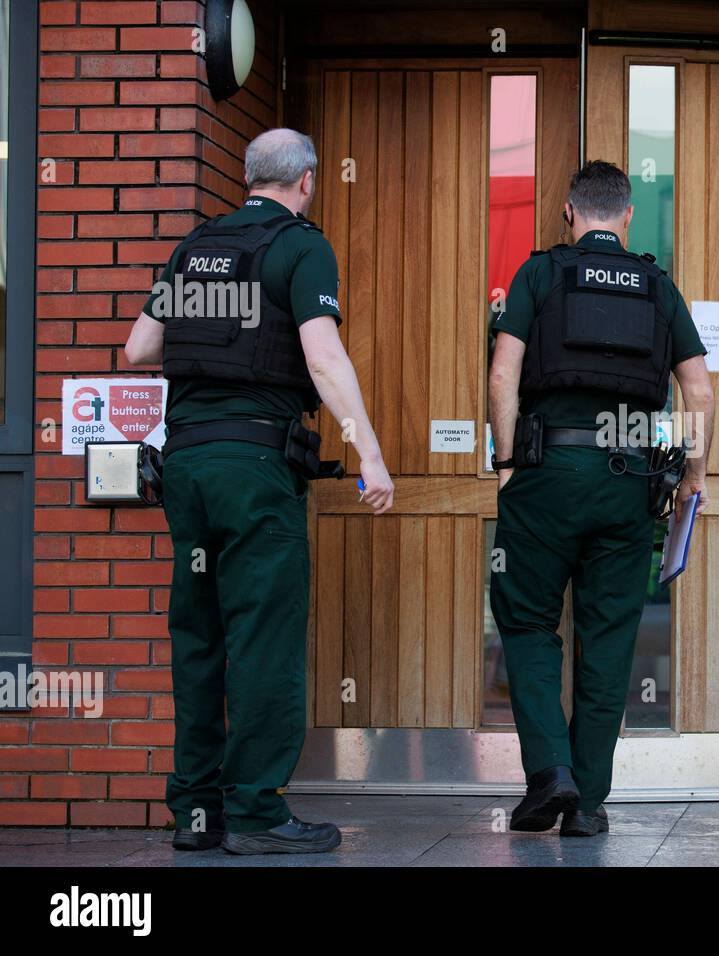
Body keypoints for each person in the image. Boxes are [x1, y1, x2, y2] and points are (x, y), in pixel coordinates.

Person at [124, 127, 394, 854]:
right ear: (305, 180)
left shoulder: (195, 248)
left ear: (247, 178)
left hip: (185, 465)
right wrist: (367, 449)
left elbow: (139, 348)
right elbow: (323, 353)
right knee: (264, 634)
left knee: (199, 635)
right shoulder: (301, 245)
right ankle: (254, 811)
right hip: (255, 466)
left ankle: (197, 813)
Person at [488, 160, 715, 836]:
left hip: (546, 471)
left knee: (528, 624)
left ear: (568, 211)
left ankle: (550, 770)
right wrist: (693, 479)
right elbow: (698, 392)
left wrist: (507, 464)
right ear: (628, 215)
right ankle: (586, 805)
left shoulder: (538, 275)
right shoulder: (658, 287)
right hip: (626, 484)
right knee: (608, 639)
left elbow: (504, 374)